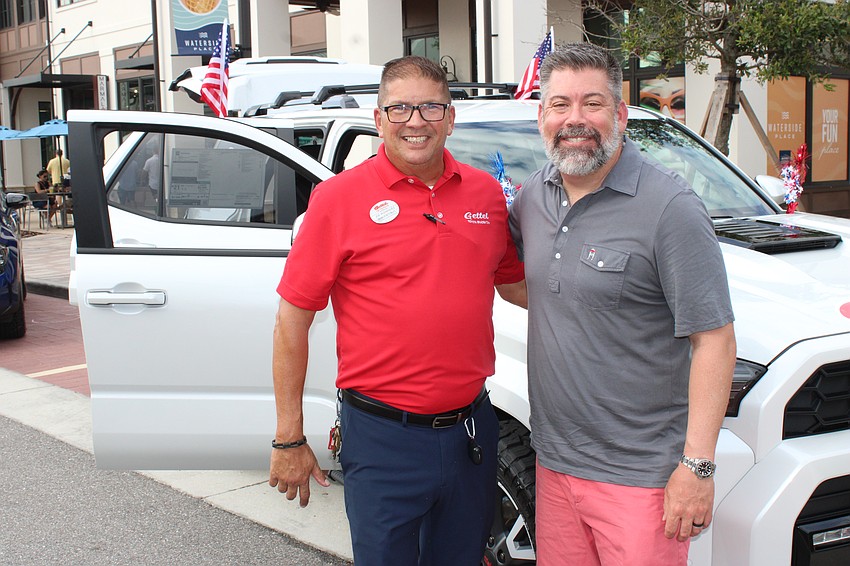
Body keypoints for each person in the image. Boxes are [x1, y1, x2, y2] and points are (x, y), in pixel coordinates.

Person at [268, 56, 525, 566]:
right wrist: (288, 437)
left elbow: (519, 287)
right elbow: (291, 320)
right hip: (383, 440)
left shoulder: (486, 195)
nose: (415, 121)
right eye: (400, 108)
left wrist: (615, 305)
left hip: (472, 431)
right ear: (379, 119)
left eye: (430, 107)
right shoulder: (337, 200)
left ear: (450, 118)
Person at [507, 43, 736, 565]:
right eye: (560, 105)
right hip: (555, 464)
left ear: (620, 114)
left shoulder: (670, 208)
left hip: (641, 480)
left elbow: (715, 341)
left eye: (592, 103)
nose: (575, 120)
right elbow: (522, 284)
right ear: (541, 115)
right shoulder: (532, 199)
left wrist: (697, 467)